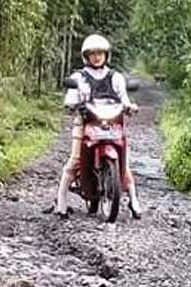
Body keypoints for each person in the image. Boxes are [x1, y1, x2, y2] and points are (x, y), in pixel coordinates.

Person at [50, 34, 141, 218]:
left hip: (112, 122)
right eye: (92, 54)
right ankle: (61, 200)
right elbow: (71, 97)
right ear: (86, 56)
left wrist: (130, 106)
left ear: (106, 55)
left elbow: (124, 98)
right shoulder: (80, 77)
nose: (97, 57)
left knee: (124, 161)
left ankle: (133, 199)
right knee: (75, 159)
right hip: (86, 121)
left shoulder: (115, 77)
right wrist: (71, 104)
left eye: (100, 53)